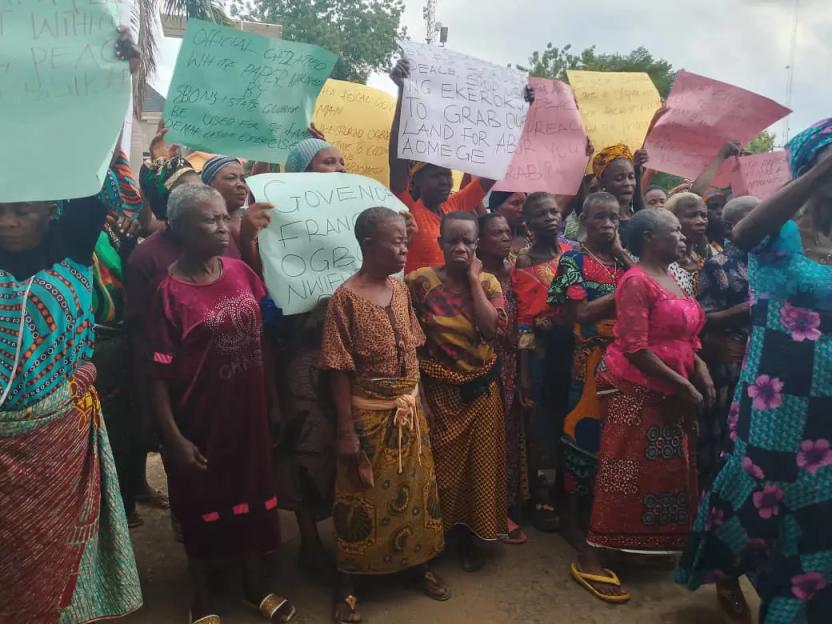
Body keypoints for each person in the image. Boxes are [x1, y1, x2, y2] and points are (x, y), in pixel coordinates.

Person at [0, 29, 143, 624]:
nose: (8, 220)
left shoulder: (74, 242)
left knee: (58, 547)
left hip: (59, 429)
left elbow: (111, 178)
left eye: (21, 209)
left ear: (49, 208)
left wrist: (116, 81)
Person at [677, 120, 832, 624]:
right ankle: (730, 576)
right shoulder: (780, 238)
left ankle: (791, 604)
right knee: (762, 499)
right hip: (776, 411)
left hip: (827, 411)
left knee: (818, 521)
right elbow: (742, 233)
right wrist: (825, 165)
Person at [145, 184, 295, 624]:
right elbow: (156, 377)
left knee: (251, 496)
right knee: (199, 508)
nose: (221, 226)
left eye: (221, 217)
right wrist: (173, 438)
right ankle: (203, 598)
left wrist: (273, 401)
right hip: (199, 421)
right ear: (180, 229)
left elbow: (264, 340)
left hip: (248, 415)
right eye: (208, 220)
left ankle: (253, 587)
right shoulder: (168, 294)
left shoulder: (240, 272)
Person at [321, 207, 448, 624]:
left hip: (409, 411)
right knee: (361, 497)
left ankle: (417, 563)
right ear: (368, 244)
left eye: (404, 240)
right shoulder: (345, 299)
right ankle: (347, 582)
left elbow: (412, 350)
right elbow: (338, 368)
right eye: (394, 240)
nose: (403, 248)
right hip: (369, 417)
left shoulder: (400, 290)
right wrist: (346, 431)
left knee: (415, 488)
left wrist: (422, 400)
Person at [585, 208, 712, 594]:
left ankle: (643, 545)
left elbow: (689, 336)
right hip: (639, 391)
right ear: (648, 240)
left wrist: (700, 369)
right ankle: (595, 551)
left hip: (673, 391)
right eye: (673, 230)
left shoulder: (678, 277)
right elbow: (635, 347)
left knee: (664, 475)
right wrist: (683, 384)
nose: (682, 236)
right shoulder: (635, 281)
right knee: (622, 475)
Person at [406, 212, 507, 571]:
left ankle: (475, 538)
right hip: (439, 392)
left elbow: (491, 330)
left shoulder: (491, 285)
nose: (460, 247)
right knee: (442, 473)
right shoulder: (419, 283)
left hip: (480, 392)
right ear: (441, 243)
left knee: (480, 469)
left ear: (478, 245)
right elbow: (410, 341)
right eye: (453, 241)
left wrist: (475, 280)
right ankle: (438, 537)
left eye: (468, 241)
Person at [548, 192, 634, 602]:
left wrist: (628, 263)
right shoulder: (573, 260)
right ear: (584, 219)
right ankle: (573, 519)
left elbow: (657, 290)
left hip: (631, 365)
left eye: (614, 218)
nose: (607, 224)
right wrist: (630, 291)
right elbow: (579, 314)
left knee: (620, 443)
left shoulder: (626, 261)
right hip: (588, 365)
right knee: (583, 439)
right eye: (599, 217)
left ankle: (609, 520)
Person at [388, 59, 532, 274]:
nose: (445, 181)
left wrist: (520, 111)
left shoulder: (454, 205)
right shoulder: (408, 207)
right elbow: (397, 158)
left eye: (447, 175)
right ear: (415, 180)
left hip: (457, 302)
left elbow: (494, 165)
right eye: (436, 176)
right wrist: (403, 91)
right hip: (420, 302)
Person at [513, 192, 572, 532]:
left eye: (554, 211)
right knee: (542, 425)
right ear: (528, 223)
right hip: (540, 356)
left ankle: (567, 489)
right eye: (541, 214)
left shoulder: (573, 253)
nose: (550, 217)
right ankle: (542, 493)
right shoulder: (524, 260)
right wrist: (522, 371)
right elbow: (524, 319)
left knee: (569, 418)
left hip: (572, 351)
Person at [695, 196, 758, 491]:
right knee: (721, 431)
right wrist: (747, 308)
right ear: (733, 226)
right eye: (756, 216)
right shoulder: (718, 264)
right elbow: (703, 319)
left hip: (760, 362)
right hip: (726, 362)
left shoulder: (769, 262)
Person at [477, 212, 530, 544]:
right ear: (479, 240)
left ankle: (507, 503)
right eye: (495, 232)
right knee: (487, 437)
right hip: (480, 363)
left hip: (512, 362)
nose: (503, 237)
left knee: (510, 436)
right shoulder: (471, 275)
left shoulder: (518, 273)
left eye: (507, 232)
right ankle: (488, 508)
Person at [592, 144, 648, 240]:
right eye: (619, 178)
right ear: (602, 182)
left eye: (631, 177)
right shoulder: (601, 222)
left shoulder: (635, 215)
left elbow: (644, 219)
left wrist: (638, 174)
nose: (627, 183)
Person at [665, 192, 711, 296]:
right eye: (691, 215)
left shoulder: (702, 259)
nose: (701, 221)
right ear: (672, 219)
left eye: (704, 216)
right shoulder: (661, 264)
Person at [487, 191, 530, 260]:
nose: (523, 210)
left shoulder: (532, 238)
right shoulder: (485, 242)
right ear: (496, 208)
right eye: (515, 203)